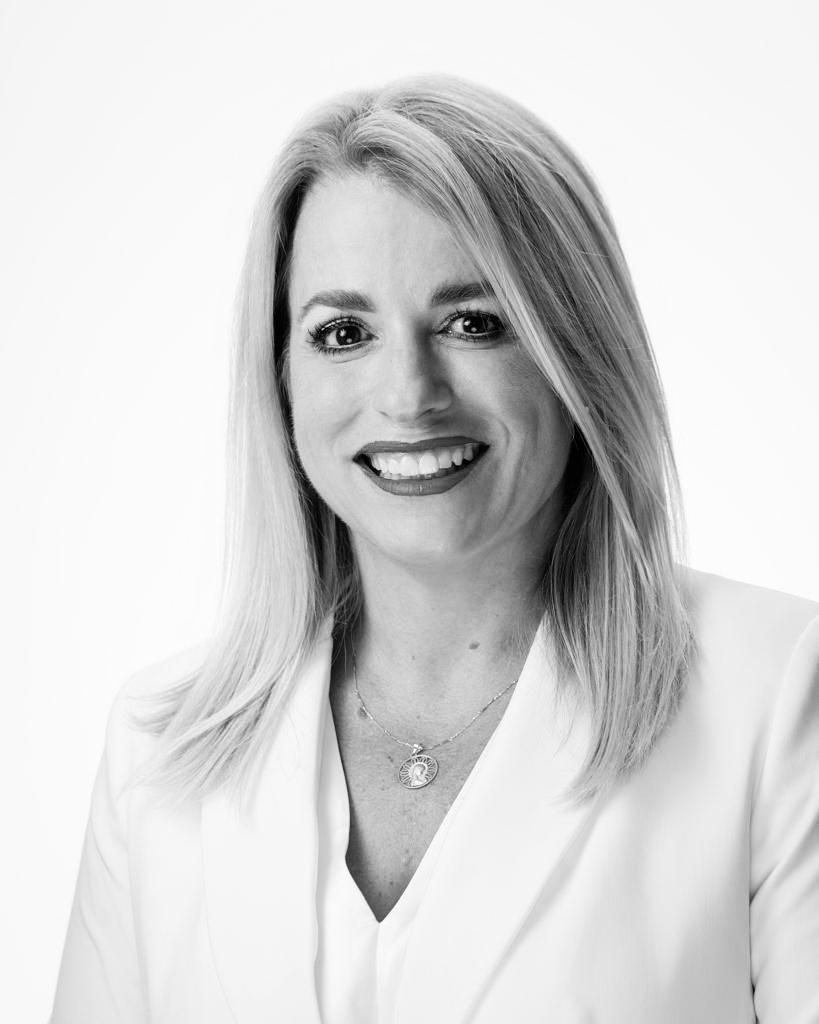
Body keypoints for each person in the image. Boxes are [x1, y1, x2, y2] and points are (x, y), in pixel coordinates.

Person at [51, 75, 819, 1023]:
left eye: (473, 323)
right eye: (343, 333)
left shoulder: (775, 695)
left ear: (577, 352)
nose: (409, 395)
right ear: (280, 380)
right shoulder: (158, 750)